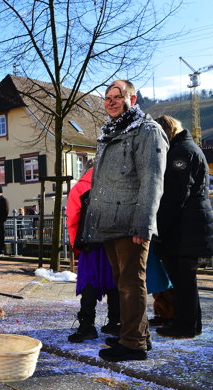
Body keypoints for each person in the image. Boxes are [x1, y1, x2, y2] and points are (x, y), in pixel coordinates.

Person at [81, 79, 168, 362]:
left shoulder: (147, 131)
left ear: (133, 98)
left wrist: (143, 224)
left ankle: (132, 345)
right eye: (106, 98)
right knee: (124, 284)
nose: (111, 101)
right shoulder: (110, 133)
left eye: (118, 96)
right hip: (109, 223)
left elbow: (152, 181)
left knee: (132, 284)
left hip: (131, 222)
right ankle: (138, 336)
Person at [153, 115, 213, 338]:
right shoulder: (187, 148)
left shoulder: (180, 153)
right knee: (185, 281)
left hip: (184, 229)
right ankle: (190, 324)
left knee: (183, 282)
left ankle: (185, 326)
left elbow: (175, 196)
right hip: (189, 227)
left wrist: (159, 228)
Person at [65, 167, 120, 342]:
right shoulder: (117, 184)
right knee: (114, 281)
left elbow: (72, 218)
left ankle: (87, 325)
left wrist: (76, 246)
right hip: (113, 241)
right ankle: (116, 322)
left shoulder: (80, 188)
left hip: (90, 243)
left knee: (89, 281)